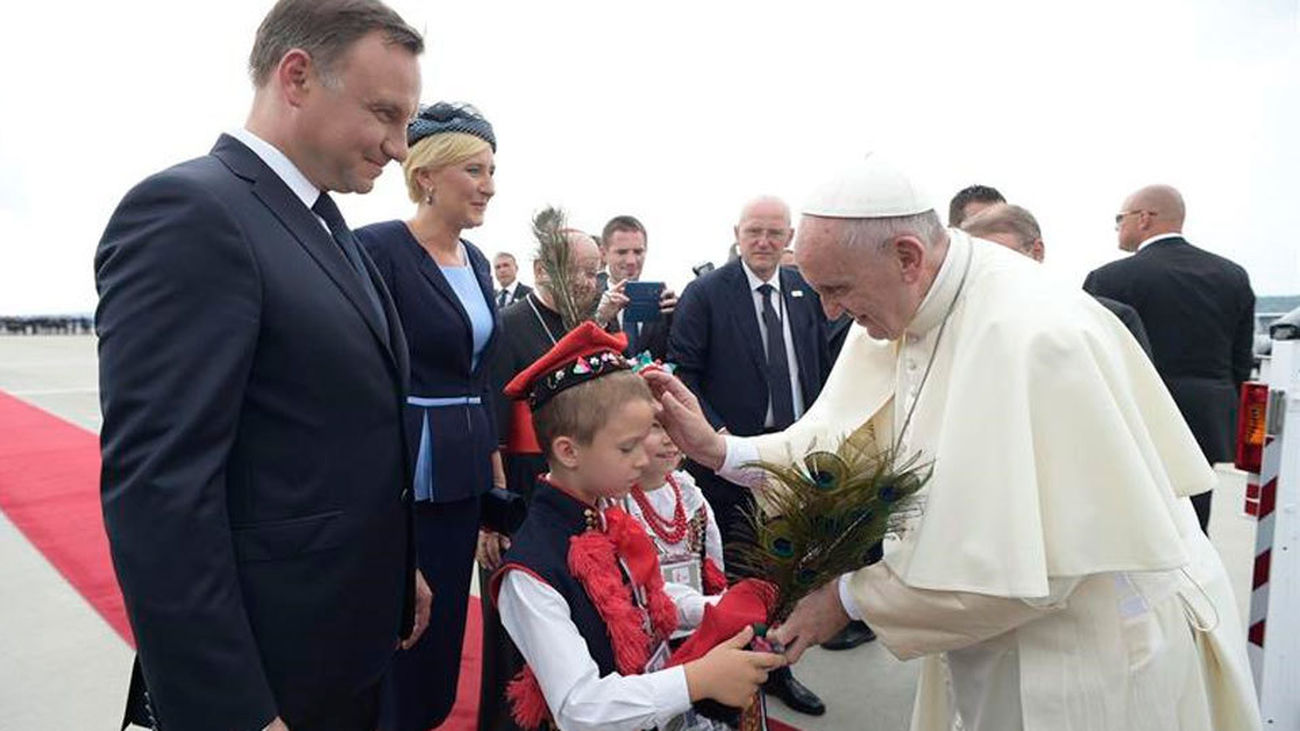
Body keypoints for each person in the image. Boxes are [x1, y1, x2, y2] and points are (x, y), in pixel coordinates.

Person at [648, 154, 1261, 731]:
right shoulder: (900, 305)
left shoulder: (1035, 335)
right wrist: (717, 449)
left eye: (836, 289)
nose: (830, 313)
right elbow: (835, 444)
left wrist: (847, 598)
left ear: (908, 256)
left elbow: (1030, 575)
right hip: (997, 647)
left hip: (1092, 648)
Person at [94, 2, 429, 729]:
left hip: (347, 643)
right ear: (298, 77)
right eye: (384, 113)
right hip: (271, 673)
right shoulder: (191, 213)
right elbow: (161, 494)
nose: (401, 147)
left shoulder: (321, 220)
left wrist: (396, 569)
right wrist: (234, 712)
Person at [491, 322, 785, 731]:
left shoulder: (610, 517)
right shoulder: (532, 571)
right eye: (627, 447)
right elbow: (581, 708)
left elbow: (652, 605)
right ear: (568, 451)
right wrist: (697, 679)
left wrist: (716, 609)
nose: (643, 460)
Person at [354, 101, 500, 731]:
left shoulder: (478, 262)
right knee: (402, 621)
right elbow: (362, 380)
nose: (489, 185)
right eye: (474, 169)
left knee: (443, 626)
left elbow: (482, 380)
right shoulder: (378, 248)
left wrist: (495, 491)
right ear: (428, 175)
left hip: (464, 476)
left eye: (493, 170)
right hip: (405, 474)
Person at [669, 195, 832, 717]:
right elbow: (685, 371)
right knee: (742, 579)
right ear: (737, 234)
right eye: (754, 232)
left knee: (788, 574)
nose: (764, 242)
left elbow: (821, 369)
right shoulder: (706, 294)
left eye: (775, 233)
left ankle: (781, 670)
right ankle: (737, 678)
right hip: (729, 465)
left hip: (794, 462)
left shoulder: (806, 294)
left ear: (789, 238)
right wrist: (718, 440)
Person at [478, 229, 606, 731]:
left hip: (577, 493)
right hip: (522, 488)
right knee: (517, 630)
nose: (586, 280)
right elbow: (487, 426)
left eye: (593, 270)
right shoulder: (506, 326)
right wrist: (490, 518)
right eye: (573, 268)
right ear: (539, 271)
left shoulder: (588, 325)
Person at [1084, 185, 1255, 532]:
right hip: (1205, 418)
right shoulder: (1231, 275)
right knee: (1194, 526)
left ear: (1145, 218)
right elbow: (1241, 360)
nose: (1117, 226)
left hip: (1135, 419)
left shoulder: (1110, 279)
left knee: (1130, 525)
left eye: (1121, 218)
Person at [962, 202, 1154, 357]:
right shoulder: (961, 329)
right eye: (979, 261)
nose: (990, 270)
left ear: (1037, 251)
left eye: (1002, 257)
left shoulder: (1109, 318)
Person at [624, 417, 727, 640]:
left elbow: (714, 564)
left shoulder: (689, 494)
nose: (669, 439)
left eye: (673, 426)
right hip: (647, 634)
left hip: (699, 627)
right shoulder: (620, 504)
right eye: (656, 427)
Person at [595, 215, 677, 360]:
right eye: (622, 252)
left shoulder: (665, 303)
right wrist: (599, 318)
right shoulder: (587, 301)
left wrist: (681, 316)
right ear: (603, 254)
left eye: (638, 252)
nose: (631, 261)